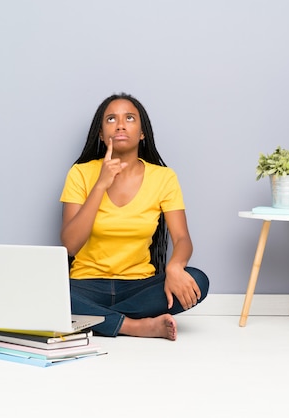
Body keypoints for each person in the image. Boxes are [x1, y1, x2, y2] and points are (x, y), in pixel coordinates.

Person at [59, 92, 209, 341]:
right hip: (85, 285)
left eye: (129, 118)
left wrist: (174, 267)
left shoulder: (164, 177)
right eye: (110, 119)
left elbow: (182, 238)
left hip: (139, 286)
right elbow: (70, 245)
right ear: (100, 133)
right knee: (41, 289)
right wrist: (100, 186)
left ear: (142, 133)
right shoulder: (81, 173)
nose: (119, 125)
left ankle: (93, 319)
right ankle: (134, 326)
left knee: (198, 280)